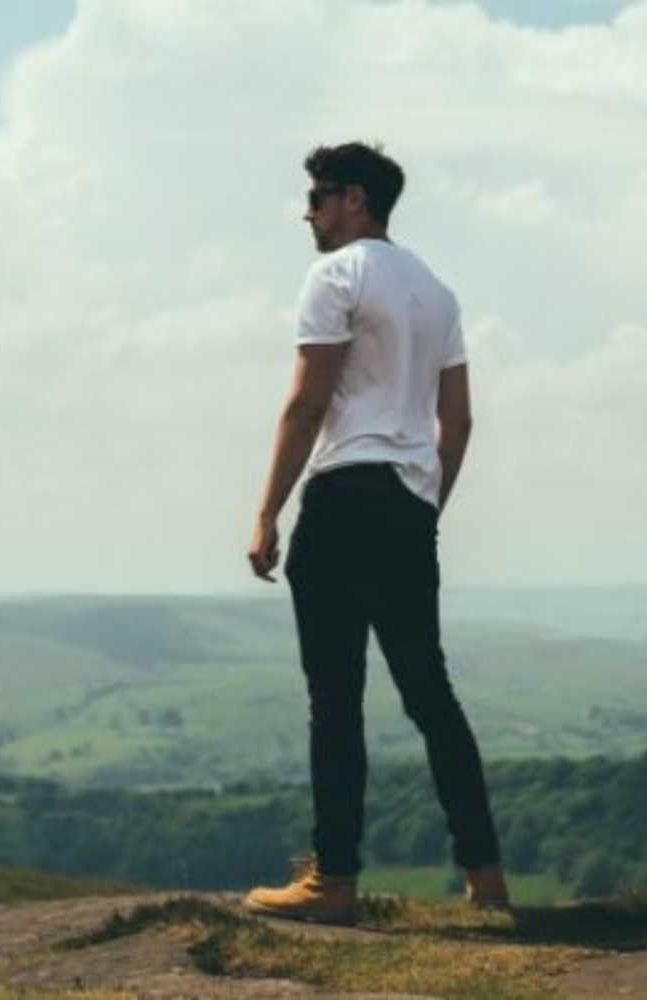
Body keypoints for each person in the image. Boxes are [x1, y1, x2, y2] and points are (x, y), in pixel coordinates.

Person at [243, 141, 508, 926]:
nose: (309, 212)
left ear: (354, 199)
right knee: (431, 694)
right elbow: (455, 419)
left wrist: (265, 512)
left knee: (337, 698)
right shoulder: (437, 290)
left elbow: (306, 404)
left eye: (319, 198)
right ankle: (486, 874)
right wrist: (427, 503)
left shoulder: (336, 275)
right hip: (406, 508)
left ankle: (334, 882)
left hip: (342, 498)